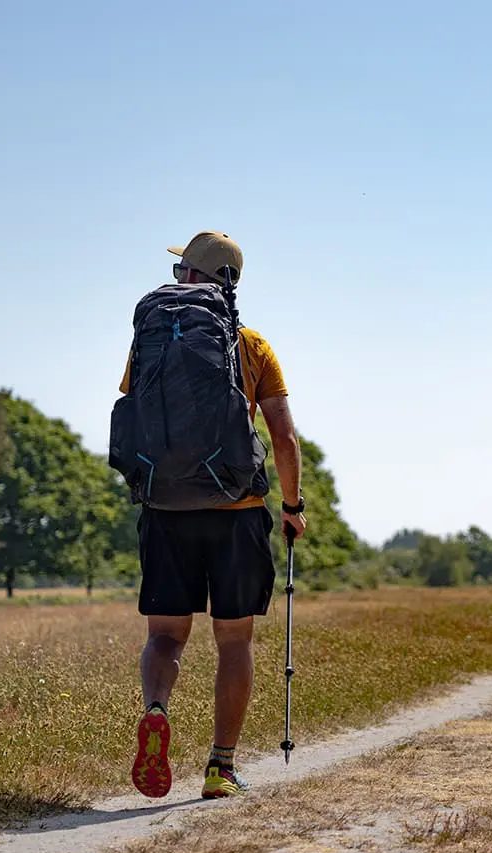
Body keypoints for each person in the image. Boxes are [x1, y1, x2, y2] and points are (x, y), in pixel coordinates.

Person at [118, 230, 307, 800]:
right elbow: (284, 436)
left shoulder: (149, 342)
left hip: (165, 506)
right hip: (236, 510)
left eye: (182, 272)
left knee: (167, 636)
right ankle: (220, 767)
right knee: (233, 642)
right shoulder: (252, 347)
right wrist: (292, 508)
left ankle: (157, 708)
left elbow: (132, 410)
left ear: (193, 278)